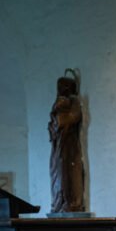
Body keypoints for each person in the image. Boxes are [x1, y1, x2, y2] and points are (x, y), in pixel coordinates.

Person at [48, 71, 85, 213]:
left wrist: (62, 120)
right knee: (55, 170)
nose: (61, 91)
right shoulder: (56, 105)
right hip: (58, 145)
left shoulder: (73, 101)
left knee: (67, 170)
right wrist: (56, 120)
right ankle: (58, 201)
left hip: (68, 146)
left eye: (63, 88)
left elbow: (74, 116)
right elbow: (53, 124)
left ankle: (70, 201)